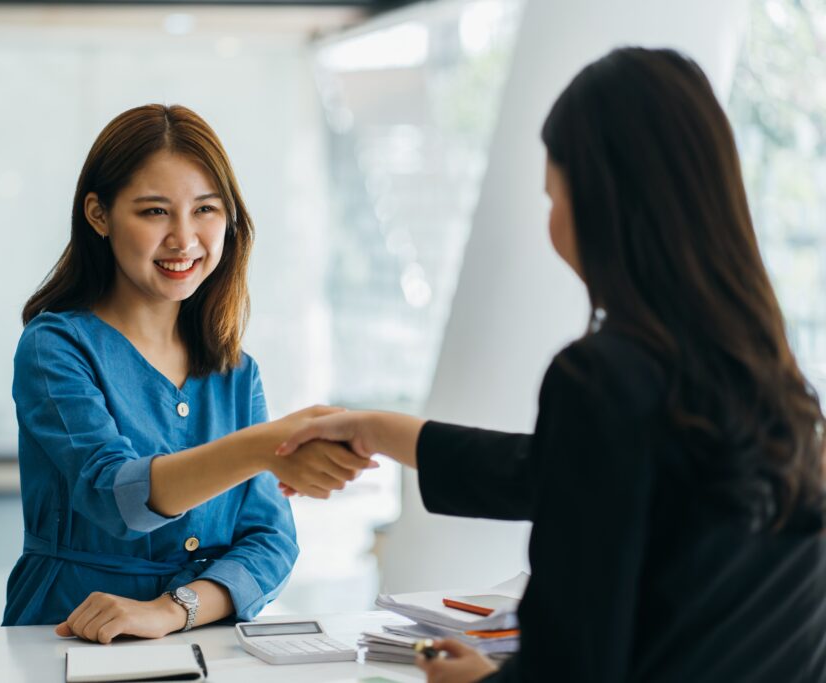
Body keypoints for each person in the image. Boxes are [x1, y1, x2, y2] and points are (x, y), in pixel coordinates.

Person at [277, 48, 826, 682]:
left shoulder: (602, 378)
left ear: (600, 202)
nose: (553, 221)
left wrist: (478, 680)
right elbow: (557, 473)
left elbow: (570, 666)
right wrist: (374, 429)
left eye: (553, 196)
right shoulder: (772, 380)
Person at [2, 104, 374, 643]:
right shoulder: (55, 347)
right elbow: (116, 495)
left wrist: (176, 608)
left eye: (205, 209)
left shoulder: (236, 371)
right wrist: (264, 446)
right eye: (155, 212)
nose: (184, 238)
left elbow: (270, 539)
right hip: (71, 636)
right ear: (99, 215)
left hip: (205, 639)